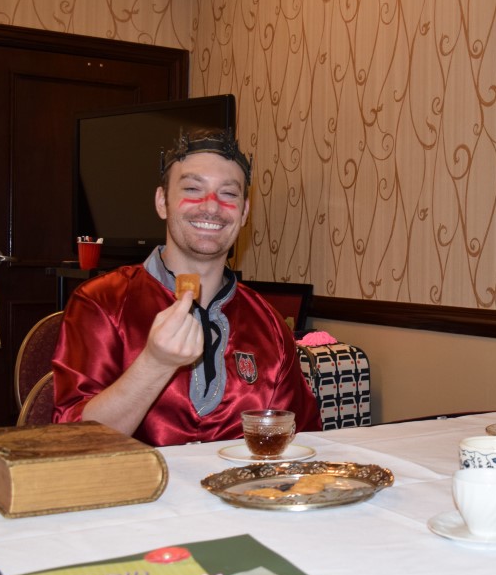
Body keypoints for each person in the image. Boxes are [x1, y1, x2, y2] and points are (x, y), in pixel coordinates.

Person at [52, 128, 322, 445]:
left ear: (244, 213)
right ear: (162, 202)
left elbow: (304, 441)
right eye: (193, 189)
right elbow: (72, 443)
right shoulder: (101, 302)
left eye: (228, 194)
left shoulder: (270, 325)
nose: (211, 207)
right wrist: (155, 363)